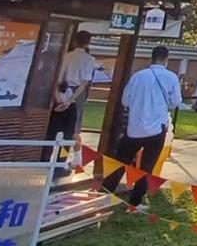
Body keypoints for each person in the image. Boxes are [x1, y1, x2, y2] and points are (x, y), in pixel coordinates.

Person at [102, 46, 181, 206]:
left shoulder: (138, 76)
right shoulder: (171, 77)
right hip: (157, 128)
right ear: (166, 59)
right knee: (146, 167)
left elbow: (125, 101)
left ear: (151, 58)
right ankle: (136, 201)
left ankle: (105, 191)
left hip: (134, 128)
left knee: (120, 162)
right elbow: (176, 101)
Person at [48, 30, 98, 170]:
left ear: (74, 41)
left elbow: (58, 78)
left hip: (61, 91)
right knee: (72, 129)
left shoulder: (67, 56)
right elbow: (84, 82)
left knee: (54, 127)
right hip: (76, 93)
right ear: (88, 43)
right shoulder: (89, 59)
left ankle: (47, 158)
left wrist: (58, 98)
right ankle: (62, 161)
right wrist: (71, 100)